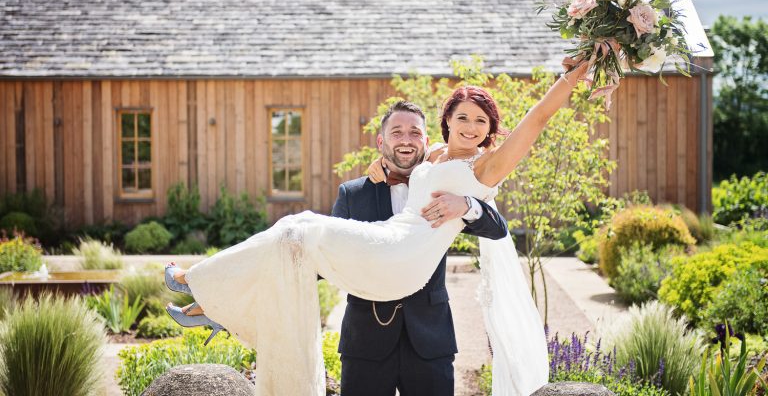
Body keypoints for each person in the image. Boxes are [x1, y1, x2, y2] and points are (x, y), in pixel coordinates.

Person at [164, 57, 590, 396]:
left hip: (404, 264)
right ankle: (213, 302)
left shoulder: (487, 167)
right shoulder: (434, 155)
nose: (471, 127)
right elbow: (406, 154)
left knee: (302, 226)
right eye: (463, 118)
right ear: (446, 123)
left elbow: (538, 118)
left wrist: (573, 75)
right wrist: (382, 165)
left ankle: (197, 283)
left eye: (481, 121)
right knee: (294, 232)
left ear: (491, 129)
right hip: (381, 279)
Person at [331, 100, 508, 396]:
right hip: (366, 340)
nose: (406, 140)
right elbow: (331, 258)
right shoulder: (352, 194)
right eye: (396, 133)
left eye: (414, 133)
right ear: (381, 142)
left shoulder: (448, 183)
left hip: (430, 339)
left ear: (426, 142)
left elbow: (498, 229)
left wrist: (467, 205)